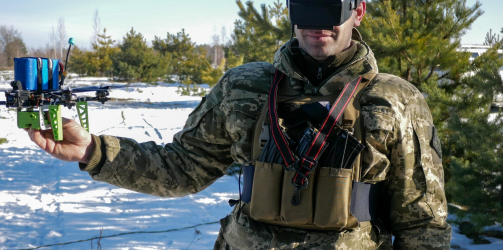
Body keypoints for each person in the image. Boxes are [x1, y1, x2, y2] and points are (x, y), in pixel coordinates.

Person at [26, 0, 451, 249]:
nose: (317, 22)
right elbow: (181, 168)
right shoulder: (244, 85)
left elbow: (422, 220)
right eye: (305, 4)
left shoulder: (396, 98)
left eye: (331, 5)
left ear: (358, 11)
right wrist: (93, 151)